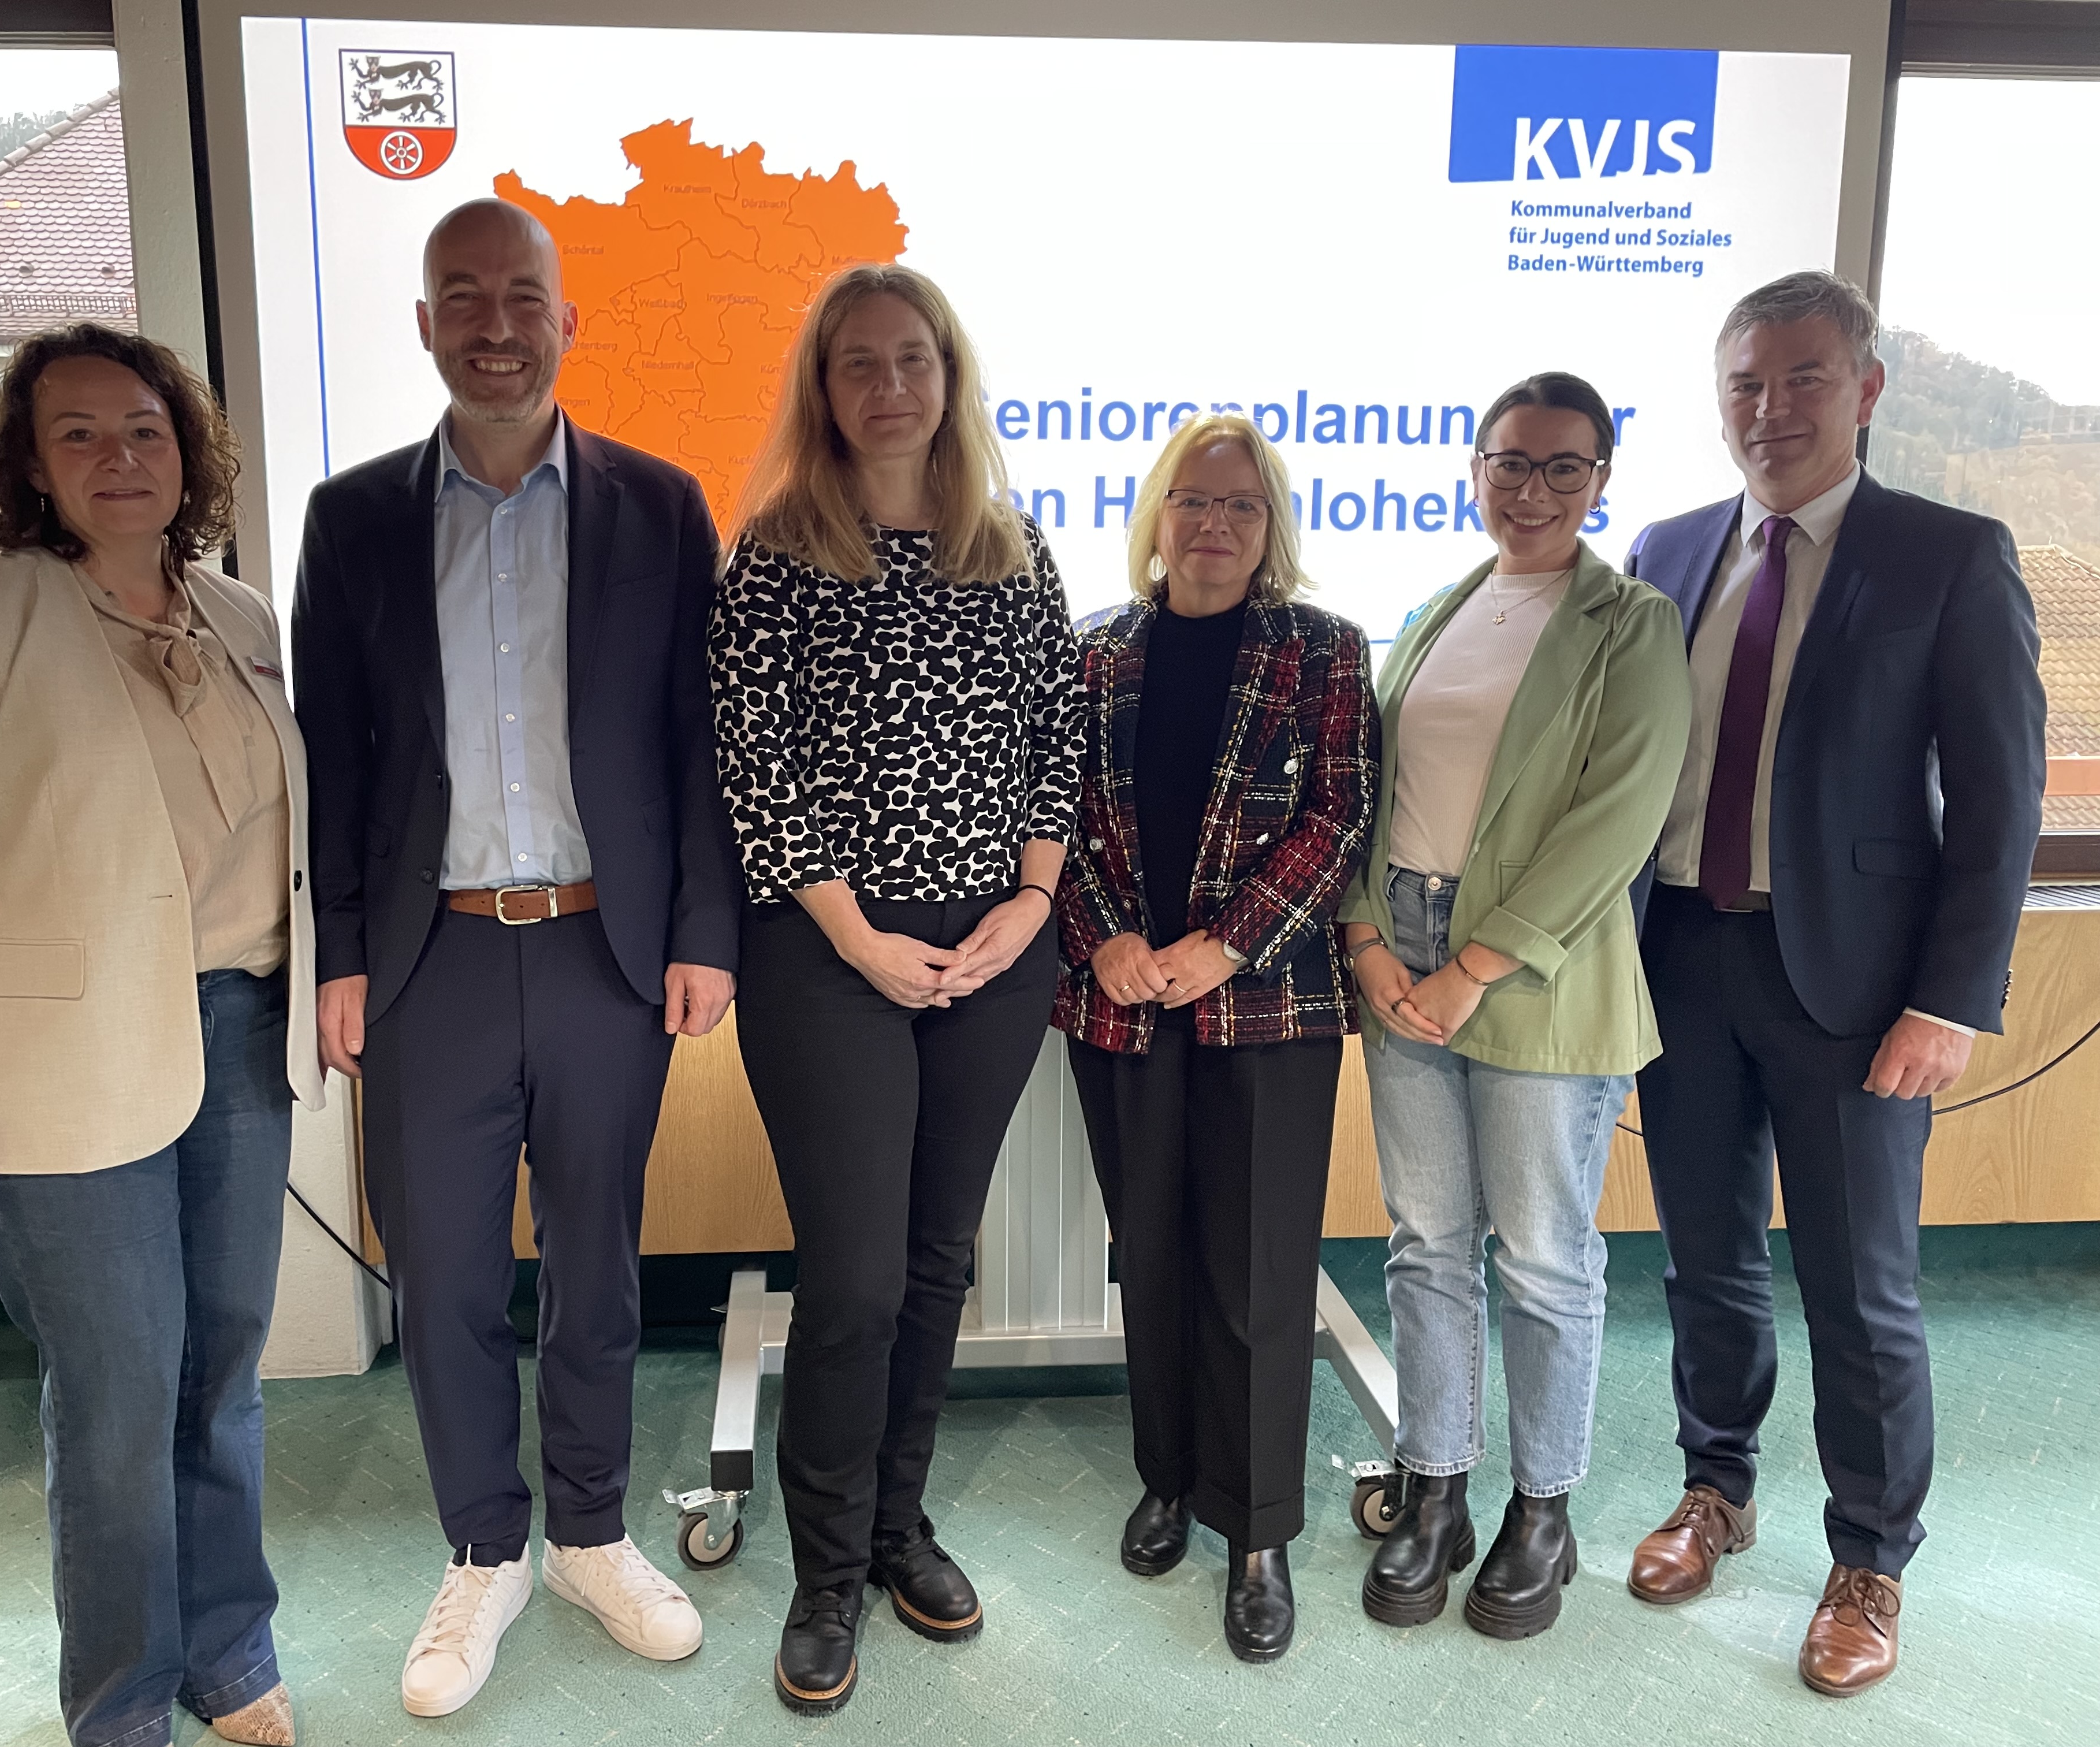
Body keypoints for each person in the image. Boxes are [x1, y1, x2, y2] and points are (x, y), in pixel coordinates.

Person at [291, 199, 743, 1718]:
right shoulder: (352, 516)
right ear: (425, 324)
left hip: (609, 952)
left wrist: (702, 932)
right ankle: (486, 1549)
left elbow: (696, 741)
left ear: (567, 321)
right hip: (432, 963)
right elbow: (335, 759)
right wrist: (341, 956)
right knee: (446, 1280)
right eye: (463, 297)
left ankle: (592, 1538)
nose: (496, 326)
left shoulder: (659, 506)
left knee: (596, 1267)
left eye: (522, 298)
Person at [0, 324, 321, 1747]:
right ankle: (121, 1697)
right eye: (80, 434)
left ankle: (229, 1653)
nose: (120, 458)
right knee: (118, 1394)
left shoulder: (238, 618)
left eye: (145, 430)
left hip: (241, 1037)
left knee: (221, 1373)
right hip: (60, 1072)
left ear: (188, 452)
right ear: (30, 464)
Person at [1623, 272, 2045, 1696]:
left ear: (1866, 389)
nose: (1771, 409)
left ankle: (1869, 1556)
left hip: (1860, 991)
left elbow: (2000, 803)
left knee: (1860, 1287)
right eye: (1746, 383)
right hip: (1682, 958)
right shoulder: (1670, 550)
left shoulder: (1951, 555)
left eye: (1804, 378)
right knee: (1705, 1257)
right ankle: (1715, 1487)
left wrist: (1954, 998)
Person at [710, 262, 1080, 1715]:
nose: (888, 386)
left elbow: (1056, 741)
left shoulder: (1012, 545)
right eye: (857, 362)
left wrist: (1031, 905)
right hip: (828, 956)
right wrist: (859, 937)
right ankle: (824, 1575)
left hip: (995, 952)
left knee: (936, 1262)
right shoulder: (777, 553)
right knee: (855, 1276)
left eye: (912, 358)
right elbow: (756, 768)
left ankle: (894, 1528)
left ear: (950, 373)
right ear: (823, 385)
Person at [1338, 373, 1690, 1641]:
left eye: (1562, 467)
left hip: (1535, 968)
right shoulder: (1440, 610)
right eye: (1510, 463)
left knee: (1542, 1255)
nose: (1532, 490)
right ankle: (1435, 1489)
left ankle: (1543, 1513)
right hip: (1402, 954)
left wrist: (1472, 965)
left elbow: (1619, 817)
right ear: (1475, 469)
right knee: (1428, 1241)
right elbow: (1370, 786)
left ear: (1601, 480)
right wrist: (1367, 938)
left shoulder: (1633, 623)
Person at [1053, 412, 1379, 1661]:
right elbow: (1056, 819)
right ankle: (1170, 1479)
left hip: (1265, 1009)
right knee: (1153, 1258)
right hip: (1125, 1007)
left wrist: (1224, 947)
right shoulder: (1094, 654)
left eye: (1242, 505)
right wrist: (1104, 941)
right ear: (1158, 515)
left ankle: (1256, 1532)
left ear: (1270, 524)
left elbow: (1337, 821)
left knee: (1254, 1276)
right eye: (1194, 500)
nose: (1215, 524)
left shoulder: (1324, 651)